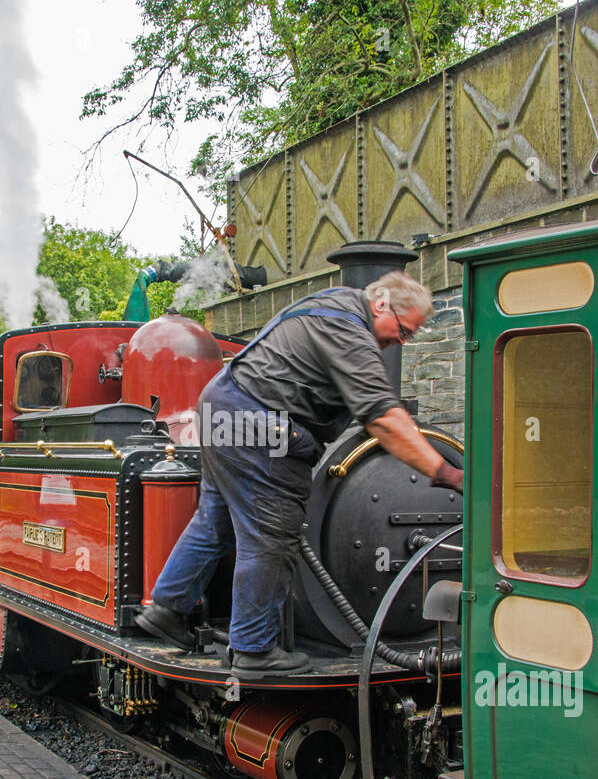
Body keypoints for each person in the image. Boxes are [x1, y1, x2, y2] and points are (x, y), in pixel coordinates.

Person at [134, 271, 463, 679]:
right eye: (402, 330)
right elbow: (381, 418)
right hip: (259, 422)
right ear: (380, 304)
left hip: (221, 404)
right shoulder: (349, 328)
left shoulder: (332, 303)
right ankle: (254, 649)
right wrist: (445, 472)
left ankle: (168, 607)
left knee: (215, 521)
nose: (402, 340)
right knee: (272, 534)